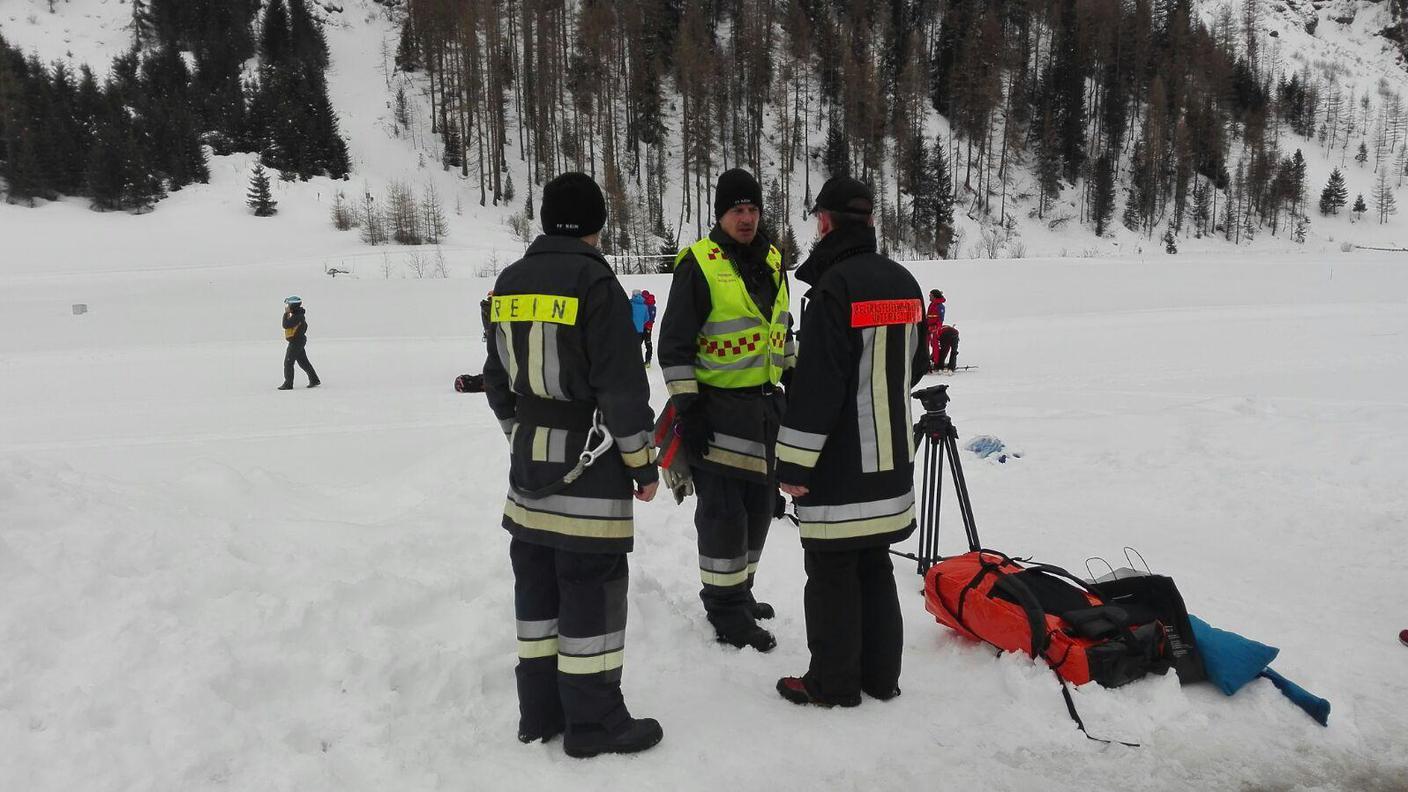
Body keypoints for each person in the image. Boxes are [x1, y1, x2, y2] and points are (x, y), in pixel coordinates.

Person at [482, 172, 664, 759]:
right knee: (591, 594)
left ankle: (539, 713)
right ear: (596, 225)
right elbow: (620, 386)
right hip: (591, 469)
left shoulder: (508, 283)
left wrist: (521, 435)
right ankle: (594, 723)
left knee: (535, 591)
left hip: (528, 473)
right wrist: (642, 466)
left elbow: (496, 379)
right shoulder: (596, 282)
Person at [772, 175, 928, 708]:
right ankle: (881, 678)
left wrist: (792, 465)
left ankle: (834, 683)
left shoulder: (833, 290)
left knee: (832, 571)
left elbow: (817, 391)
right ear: (870, 223)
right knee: (874, 564)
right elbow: (917, 366)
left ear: (825, 222)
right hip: (892, 463)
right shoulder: (906, 284)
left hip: (840, 467)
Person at [659, 168, 795, 653]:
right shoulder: (699, 262)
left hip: (763, 412)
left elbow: (781, 329)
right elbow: (673, 345)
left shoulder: (773, 261)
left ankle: (739, 592)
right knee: (723, 517)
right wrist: (687, 407)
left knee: (759, 511)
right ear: (721, 213)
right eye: (737, 209)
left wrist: (794, 382)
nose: (747, 218)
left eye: (753, 209)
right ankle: (724, 610)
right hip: (714, 415)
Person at [278, 296, 320, 390]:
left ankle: (288, 384)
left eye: (289, 305)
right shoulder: (298, 315)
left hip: (296, 342)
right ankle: (314, 379)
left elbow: (285, 325)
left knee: (288, 363)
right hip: (298, 341)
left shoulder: (298, 316)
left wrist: (286, 314)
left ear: (293, 305)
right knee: (303, 362)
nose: (287, 306)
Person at [925, 290, 945, 372]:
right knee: (925, 344)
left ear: (934, 296)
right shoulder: (931, 304)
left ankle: (937, 363)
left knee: (935, 345)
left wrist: (937, 329)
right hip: (929, 327)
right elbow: (929, 316)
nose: (929, 296)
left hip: (935, 328)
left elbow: (940, 319)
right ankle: (927, 361)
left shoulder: (940, 306)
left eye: (931, 295)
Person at [630, 289, 651, 366]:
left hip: (631, 329)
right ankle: (638, 362)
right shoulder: (644, 306)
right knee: (638, 346)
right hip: (640, 330)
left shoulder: (630, 304)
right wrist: (640, 324)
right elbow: (647, 318)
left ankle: (631, 362)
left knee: (630, 345)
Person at [642, 290, 657, 366]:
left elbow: (651, 318)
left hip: (645, 327)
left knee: (647, 343)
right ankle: (647, 360)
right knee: (647, 343)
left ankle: (647, 361)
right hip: (646, 327)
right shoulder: (649, 306)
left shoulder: (650, 306)